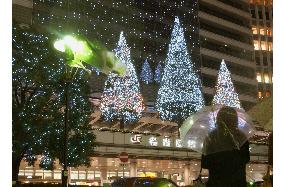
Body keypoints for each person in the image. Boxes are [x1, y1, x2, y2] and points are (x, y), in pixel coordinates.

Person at [201, 106, 250, 187]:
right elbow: (246, 158)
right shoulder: (241, 136)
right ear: (235, 119)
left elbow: (204, 163)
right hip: (237, 183)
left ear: (218, 118)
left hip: (216, 183)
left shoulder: (211, 137)